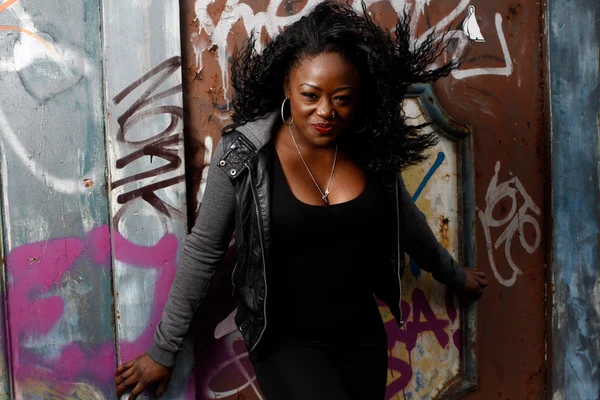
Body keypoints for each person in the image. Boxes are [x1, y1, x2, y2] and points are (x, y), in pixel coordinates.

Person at [115, 2, 488, 399]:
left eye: (342, 98)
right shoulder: (243, 154)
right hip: (283, 341)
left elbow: (407, 223)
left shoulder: (371, 150)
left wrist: (452, 274)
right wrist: (163, 349)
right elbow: (203, 250)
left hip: (362, 337)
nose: (325, 112)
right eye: (310, 95)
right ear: (286, 88)